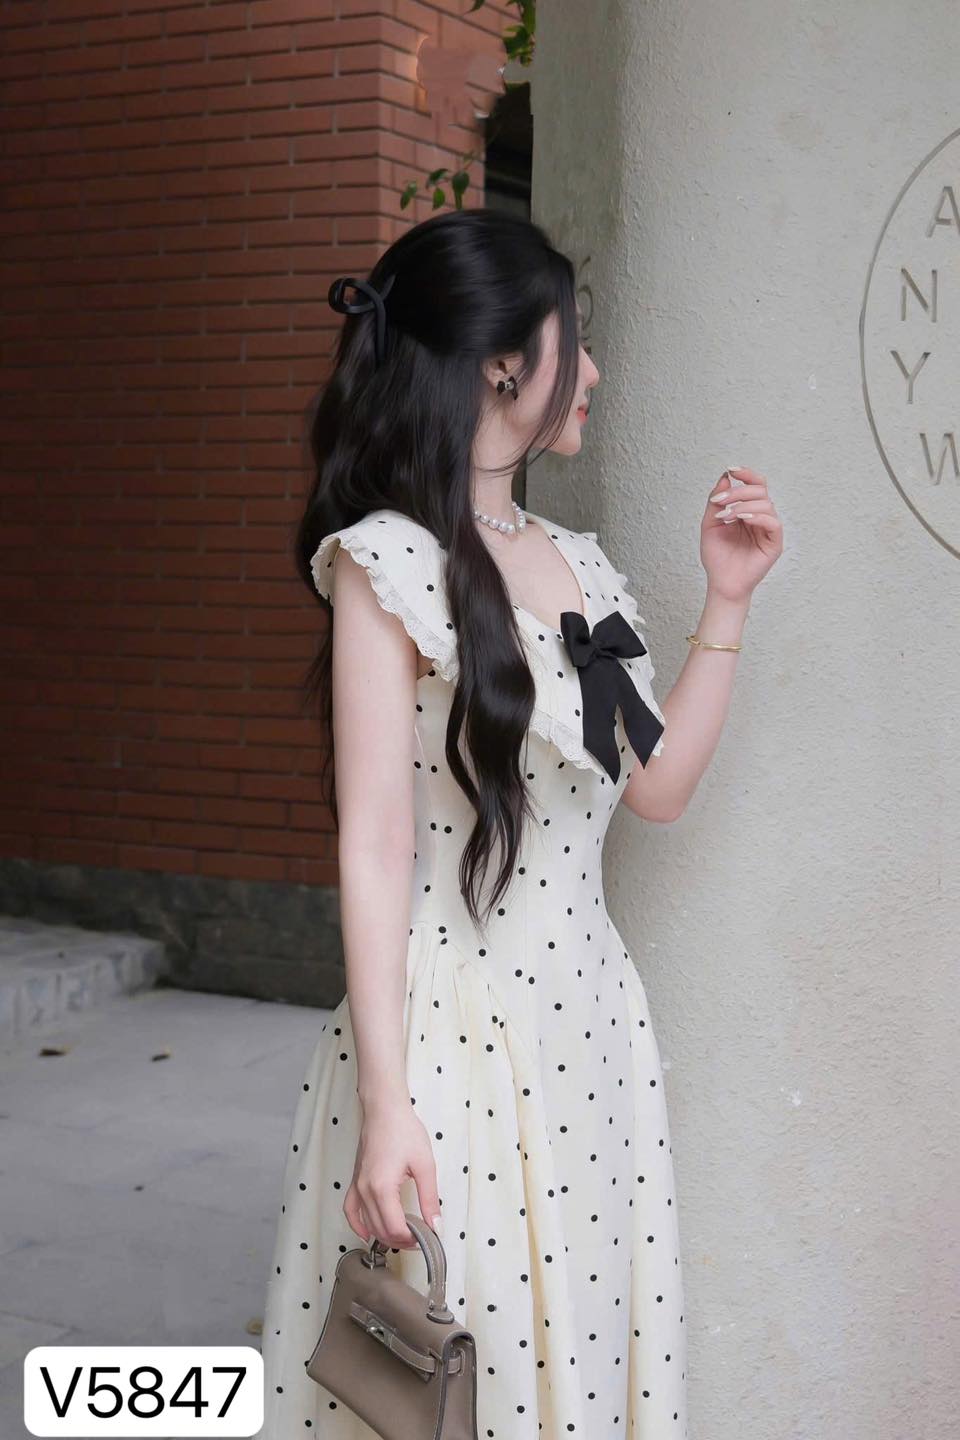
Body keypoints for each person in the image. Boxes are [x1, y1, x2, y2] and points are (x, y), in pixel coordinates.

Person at [259, 207, 783, 1439]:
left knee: (575, 1358)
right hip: (446, 1037)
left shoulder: (579, 564)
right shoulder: (385, 563)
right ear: (503, 365)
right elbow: (376, 844)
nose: (591, 370)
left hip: (588, 1025)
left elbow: (656, 787)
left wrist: (728, 599)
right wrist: (387, 1103)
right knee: (455, 1372)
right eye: (573, 341)